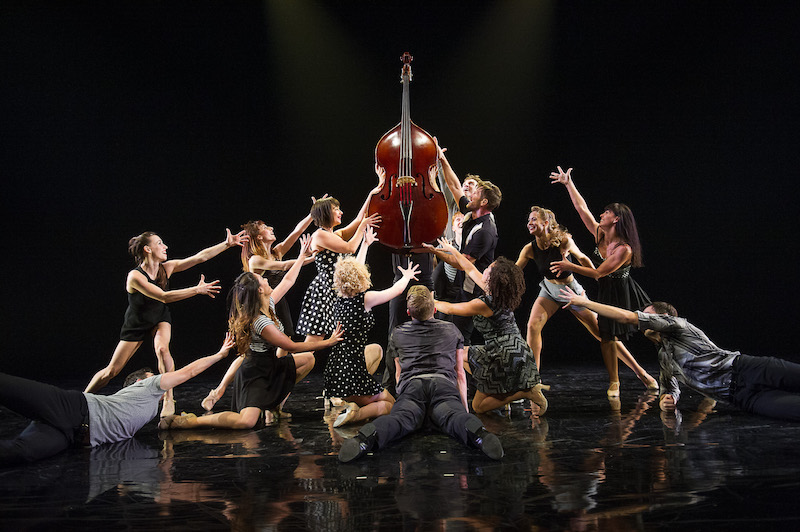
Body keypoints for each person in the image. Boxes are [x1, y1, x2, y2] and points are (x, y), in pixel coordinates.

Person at [161, 236, 345, 430]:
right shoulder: (260, 321)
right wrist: (328, 342)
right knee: (246, 422)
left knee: (308, 359)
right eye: (262, 279)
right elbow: (290, 346)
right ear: (259, 291)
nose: (266, 279)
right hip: (255, 372)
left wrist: (301, 257)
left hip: (270, 364)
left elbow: (289, 280)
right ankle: (190, 422)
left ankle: (272, 403)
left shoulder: (269, 303)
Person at [558, 287, 800, 421]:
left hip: (749, 369)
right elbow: (669, 388)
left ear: (664, 319)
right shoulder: (664, 357)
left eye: (649, 316)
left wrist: (585, 302)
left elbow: (627, 316)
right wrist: (667, 400)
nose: (644, 319)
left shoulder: (679, 326)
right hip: (743, 398)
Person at [1, 335, 235, 466]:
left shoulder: (151, 408)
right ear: (138, 382)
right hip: (73, 408)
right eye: (154, 376)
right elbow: (188, 372)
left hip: (72, 437)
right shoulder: (148, 386)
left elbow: (168, 420)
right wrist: (219, 355)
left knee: (21, 453)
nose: (161, 380)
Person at [85, 229, 247, 418]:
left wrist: (226, 244)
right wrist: (196, 290)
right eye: (160, 243)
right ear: (147, 249)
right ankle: (83, 397)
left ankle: (169, 399)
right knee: (111, 371)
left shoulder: (166, 268)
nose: (165, 247)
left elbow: (199, 258)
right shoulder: (135, 276)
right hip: (137, 323)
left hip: (160, 318)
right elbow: (163, 296)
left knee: (162, 349)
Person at [338, 286, 504, 462]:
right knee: (454, 418)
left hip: (412, 388)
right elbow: (460, 374)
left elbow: (398, 376)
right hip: (443, 388)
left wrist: (404, 400)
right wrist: (464, 410)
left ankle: (363, 440)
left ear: (408, 312)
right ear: (434, 309)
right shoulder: (452, 330)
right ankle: (480, 435)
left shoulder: (398, 333)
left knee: (399, 420)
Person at [518, 206, 658, 391]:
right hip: (549, 290)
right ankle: (533, 380)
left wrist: (597, 277)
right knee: (532, 326)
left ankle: (641, 372)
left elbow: (583, 259)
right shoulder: (529, 248)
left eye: (534, 219)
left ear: (545, 223)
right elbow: (515, 270)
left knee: (603, 334)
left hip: (570, 291)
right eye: (529, 220)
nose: (530, 223)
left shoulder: (563, 241)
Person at [200, 201, 321, 411]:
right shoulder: (256, 259)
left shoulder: (276, 251)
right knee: (252, 354)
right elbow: (283, 267)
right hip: (261, 307)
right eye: (266, 228)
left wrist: (313, 213)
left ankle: (276, 399)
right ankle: (220, 390)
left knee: (282, 350)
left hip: (276, 302)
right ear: (258, 236)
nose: (272, 229)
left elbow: (297, 231)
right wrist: (308, 258)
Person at [550, 166, 653, 397]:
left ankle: (659, 370)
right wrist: (568, 184)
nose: (601, 215)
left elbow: (598, 273)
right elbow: (581, 208)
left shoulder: (624, 249)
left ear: (615, 218)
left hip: (623, 291)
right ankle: (615, 382)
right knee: (606, 337)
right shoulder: (600, 235)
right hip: (607, 291)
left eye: (606, 213)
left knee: (651, 328)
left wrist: (569, 266)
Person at [425, 238, 547, 415]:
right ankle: (500, 390)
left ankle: (525, 392)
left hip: (503, 355)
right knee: (458, 354)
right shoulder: (496, 292)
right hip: (515, 349)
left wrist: (428, 301)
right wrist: (451, 250)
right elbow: (468, 268)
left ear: (494, 277)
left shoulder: (485, 303)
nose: (486, 268)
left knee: (478, 407)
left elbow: (451, 308)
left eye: (490, 268)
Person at [328, 256, 421, 427]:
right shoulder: (365, 299)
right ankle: (358, 413)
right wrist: (407, 276)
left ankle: (355, 404)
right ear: (361, 276)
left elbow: (351, 270)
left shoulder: (339, 300)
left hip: (337, 372)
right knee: (391, 405)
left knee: (376, 349)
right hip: (351, 375)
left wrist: (366, 244)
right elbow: (395, 291)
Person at [435, 139, 501, 344]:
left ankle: (467, 374)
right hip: (463, 284)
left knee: (461, 336)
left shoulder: (485, 231)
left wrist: (433, 250)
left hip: (475, 288)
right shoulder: (472, 213)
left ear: (484, 202)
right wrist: (442, 158)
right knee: (458, 334)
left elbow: (461, 262)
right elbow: (454, 186)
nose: (468, 195)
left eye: (475, 193)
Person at [296, 192, 380, 343]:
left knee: (318, 344)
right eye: (336, 209)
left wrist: (372, 193)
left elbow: (359, 219)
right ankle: (288, 365)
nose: (341, 212)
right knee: (312, 344)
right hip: (323, 292)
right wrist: (362, 227)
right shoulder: (320, 235)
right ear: (326, 212)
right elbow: (351, 248)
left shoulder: (333, 234)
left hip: (332, 291)